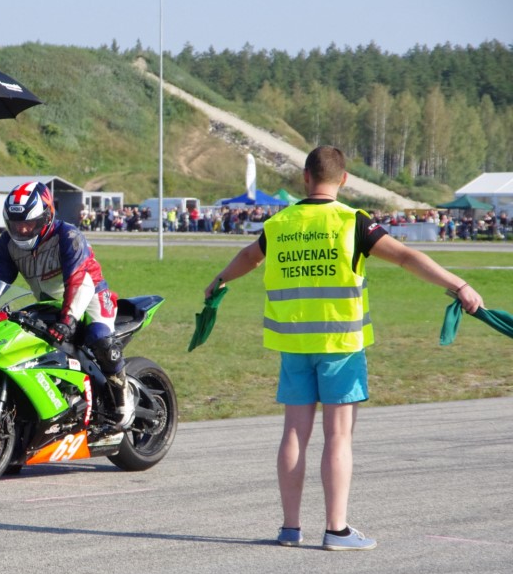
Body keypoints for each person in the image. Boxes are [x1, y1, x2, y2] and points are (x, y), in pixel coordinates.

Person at [204, 146, 484, 551]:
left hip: (294, 343)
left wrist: (219, 281)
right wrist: (458, 285)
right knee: (337, 436)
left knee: (294, 433)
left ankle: (290, 527)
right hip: (340, 344)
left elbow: (250, 257)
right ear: (344, 179)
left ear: (305, 177)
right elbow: (406, 257)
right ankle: (336, 530)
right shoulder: (353, 222)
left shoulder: (279, 223)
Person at [0, 181, 134, 427]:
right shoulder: (7, 243)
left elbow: (77, 280)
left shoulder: (67, 236)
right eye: (15, 224)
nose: (22, 229)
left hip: (91, 294)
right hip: (49, 302)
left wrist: (68, 320)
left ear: (46, 218)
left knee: (100, 338)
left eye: (28, 223)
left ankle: (122, 399)